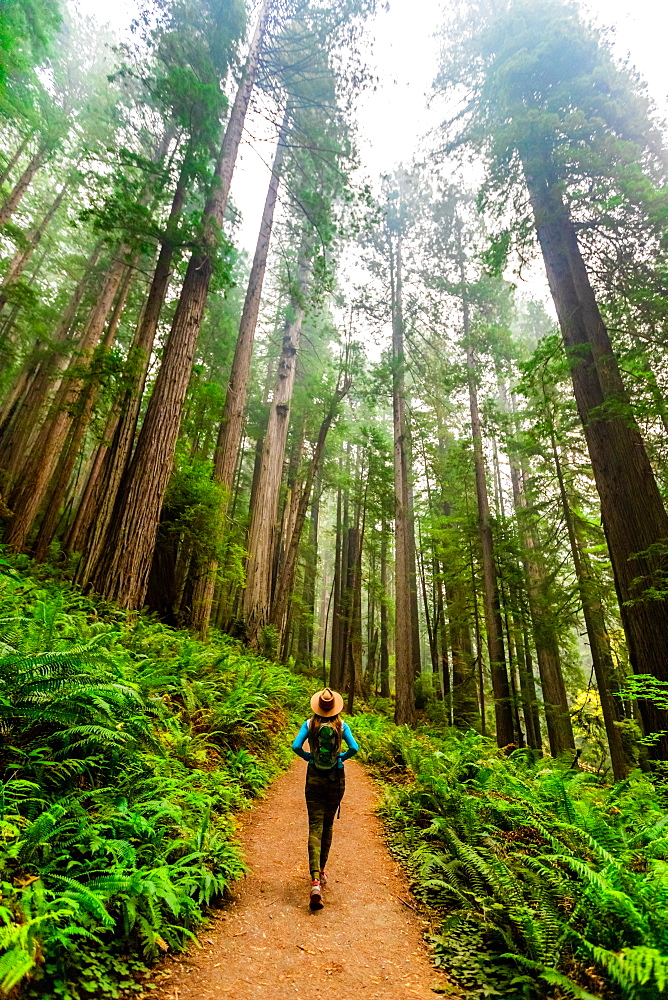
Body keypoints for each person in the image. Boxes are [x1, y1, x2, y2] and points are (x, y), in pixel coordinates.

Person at [292, 687, 359, 909]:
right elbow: (355, 748)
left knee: (315, 827)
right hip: (335, 779)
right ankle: (322, 872)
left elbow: (295, 746)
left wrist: (309, 757)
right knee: (328, 825)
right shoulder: (342, 725)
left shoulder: (309, 725)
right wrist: (340, 757)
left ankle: (314, 882)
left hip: (314, 777)